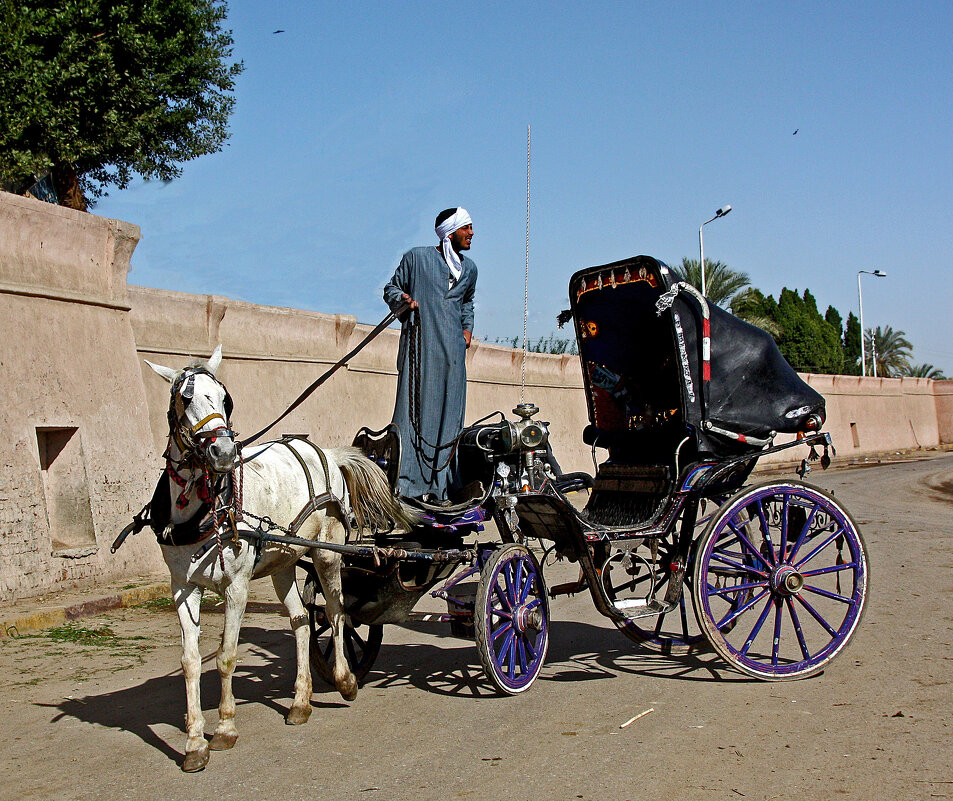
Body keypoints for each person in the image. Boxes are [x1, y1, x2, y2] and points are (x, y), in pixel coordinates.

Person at [383, 208, 477, 502]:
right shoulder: (417, 258)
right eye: (467, 228)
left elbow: (467, 303)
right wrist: (403, 299)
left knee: (450, 417)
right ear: (450, 233)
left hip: (452, 354)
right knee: (414, 414)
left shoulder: (470, 269)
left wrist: (467, 330)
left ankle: (441, 488)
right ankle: (408, 486)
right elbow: (392, 288)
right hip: (420, 348)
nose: (472, 234)